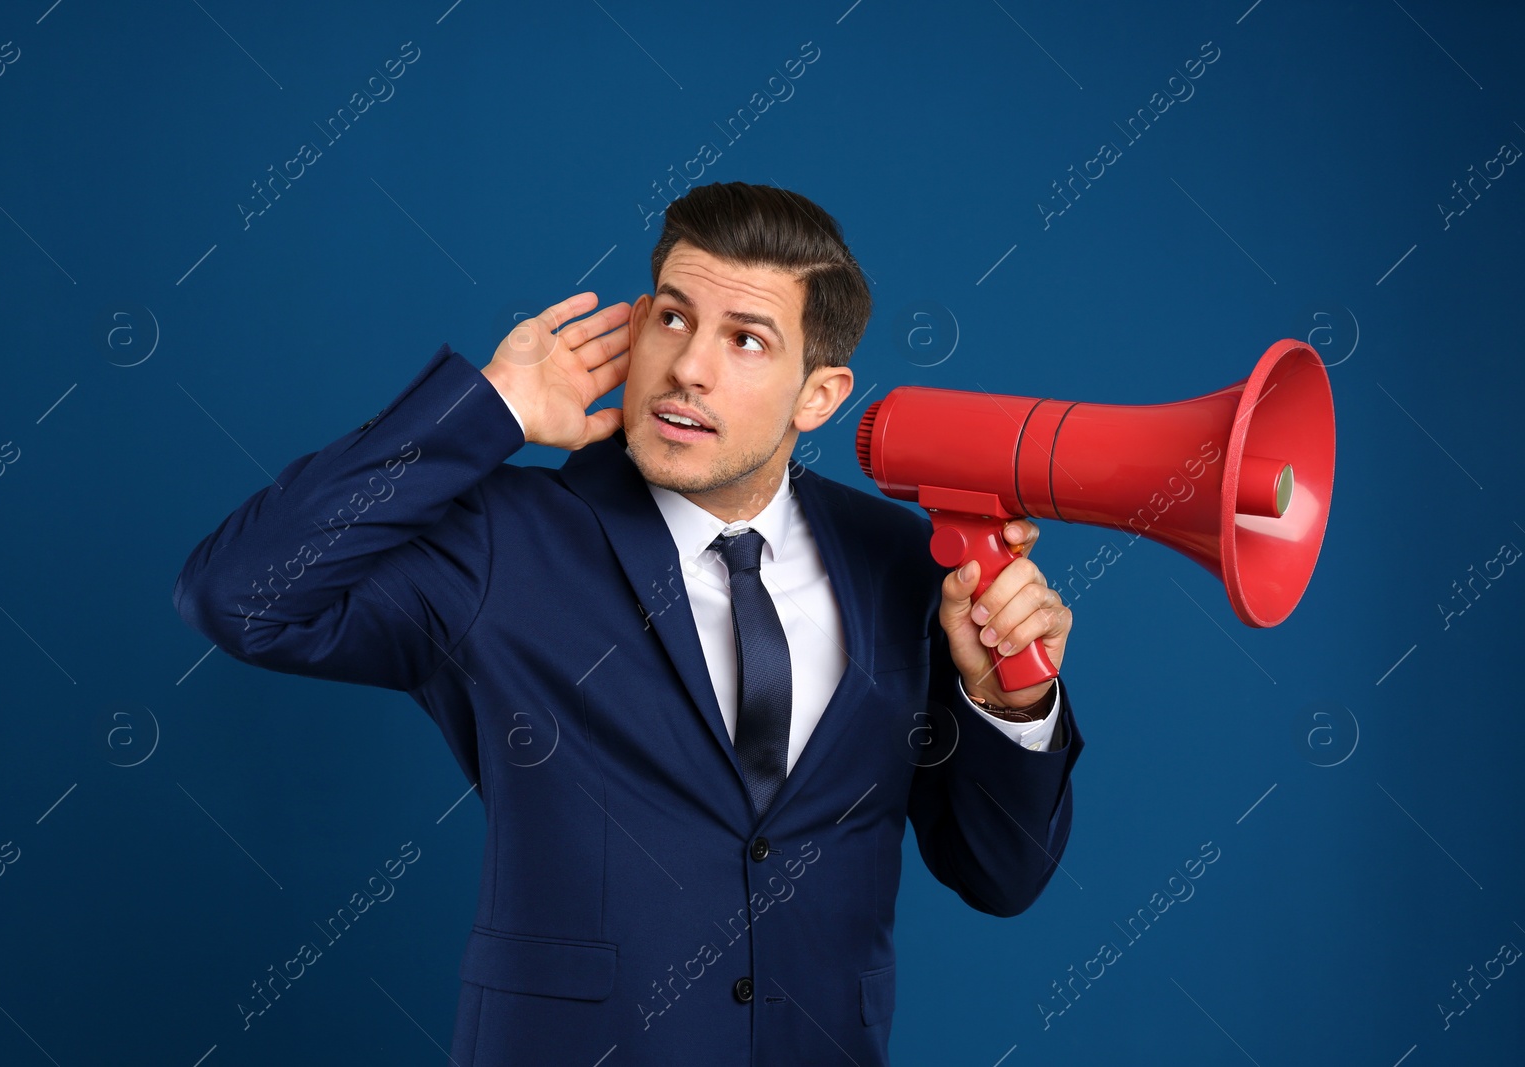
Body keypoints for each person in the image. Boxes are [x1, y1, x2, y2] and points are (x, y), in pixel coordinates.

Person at [173, 181, 1082, 1066]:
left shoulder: (900, 559)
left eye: (748, 340)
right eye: (676, 319)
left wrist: (1013, 699)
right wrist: (486, 410)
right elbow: (240, 594)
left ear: (819, 396)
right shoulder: (505, 538)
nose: (690, 366)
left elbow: (1001, 875)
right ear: (641, 323)